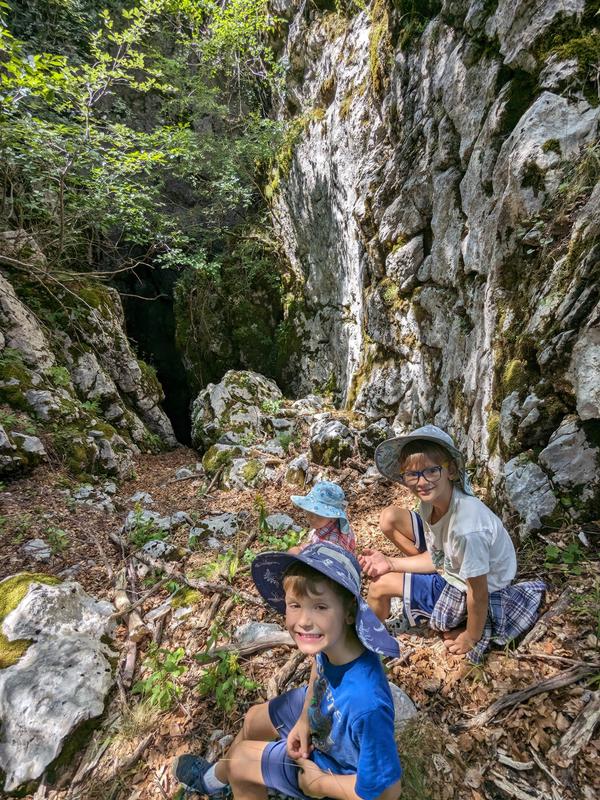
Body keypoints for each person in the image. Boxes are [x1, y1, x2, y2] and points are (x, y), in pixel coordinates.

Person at [173, 542, 402, 800]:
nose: (303, 620)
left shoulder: (366, 702)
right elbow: (319, 664)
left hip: (333, 772)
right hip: (322, 718)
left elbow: (388, 792)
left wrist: (319, 784)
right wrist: (304, 719)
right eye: (295, 605)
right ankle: (216, 782)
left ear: (349, 612)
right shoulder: (335, 644)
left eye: (320, 607)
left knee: (240, 761)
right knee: (253, 719)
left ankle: (235, 781)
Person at [359, 424, 545, 663]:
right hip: (452, 569)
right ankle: (416, 591)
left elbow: (477, 593)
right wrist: (390, 562)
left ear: (451, 471)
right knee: (390, 523)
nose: (421, 482)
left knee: (378, 587)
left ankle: (363, 647)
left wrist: (471, 636)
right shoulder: (432, 504)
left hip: (471, 588)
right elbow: (438, 557)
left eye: (431, 471)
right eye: (412, 474)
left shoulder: (467, 530)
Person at [288, 481, 356, 554]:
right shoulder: (326, 524)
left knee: (293, 552)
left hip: (327, 560)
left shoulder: (332, 543)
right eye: (309, 511)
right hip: (319, 549)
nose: (312, 517)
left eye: (319, 515)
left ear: (333, 517)